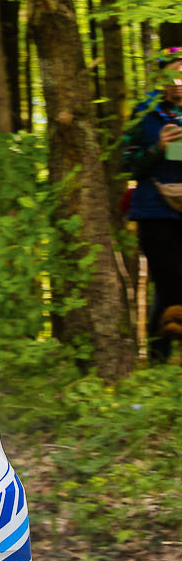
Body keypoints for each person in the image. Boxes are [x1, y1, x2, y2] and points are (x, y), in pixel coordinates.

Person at [122, 47, 182, 361]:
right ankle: (159, 355)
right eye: (174, 73)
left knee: (172, 285)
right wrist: (159, 146)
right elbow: (130, 165)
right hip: (155, 211)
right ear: (161, 77)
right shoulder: (145, 113)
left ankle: (165, 357)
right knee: (168, 281)